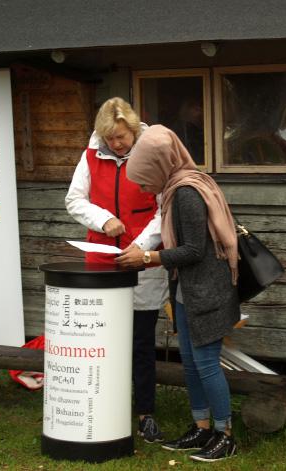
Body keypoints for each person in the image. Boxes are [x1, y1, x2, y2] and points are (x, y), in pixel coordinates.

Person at [116, 124, 240, 462]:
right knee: (190, 363)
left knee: (206, 364)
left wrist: (149, 257)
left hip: (206, 292)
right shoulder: (173, 190)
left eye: (144, 179)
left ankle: (224, 433)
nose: (142, 187)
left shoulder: (186, 193)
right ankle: (201, 426)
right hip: (188, 291)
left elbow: (195, 250)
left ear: (159, 166)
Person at [65, 97, 168, 443]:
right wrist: (104, 218)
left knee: (140, 341)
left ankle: (145, 413)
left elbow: (163, 208)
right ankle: (103, 407)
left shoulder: (153, 153)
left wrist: (143, 245)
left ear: (134, 130)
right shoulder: (91, 154)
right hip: (101, 260)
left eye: (121, 137)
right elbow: (75, 199)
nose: (116, 144)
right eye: (109, 138)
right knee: (100, 339)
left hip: (143, 259)